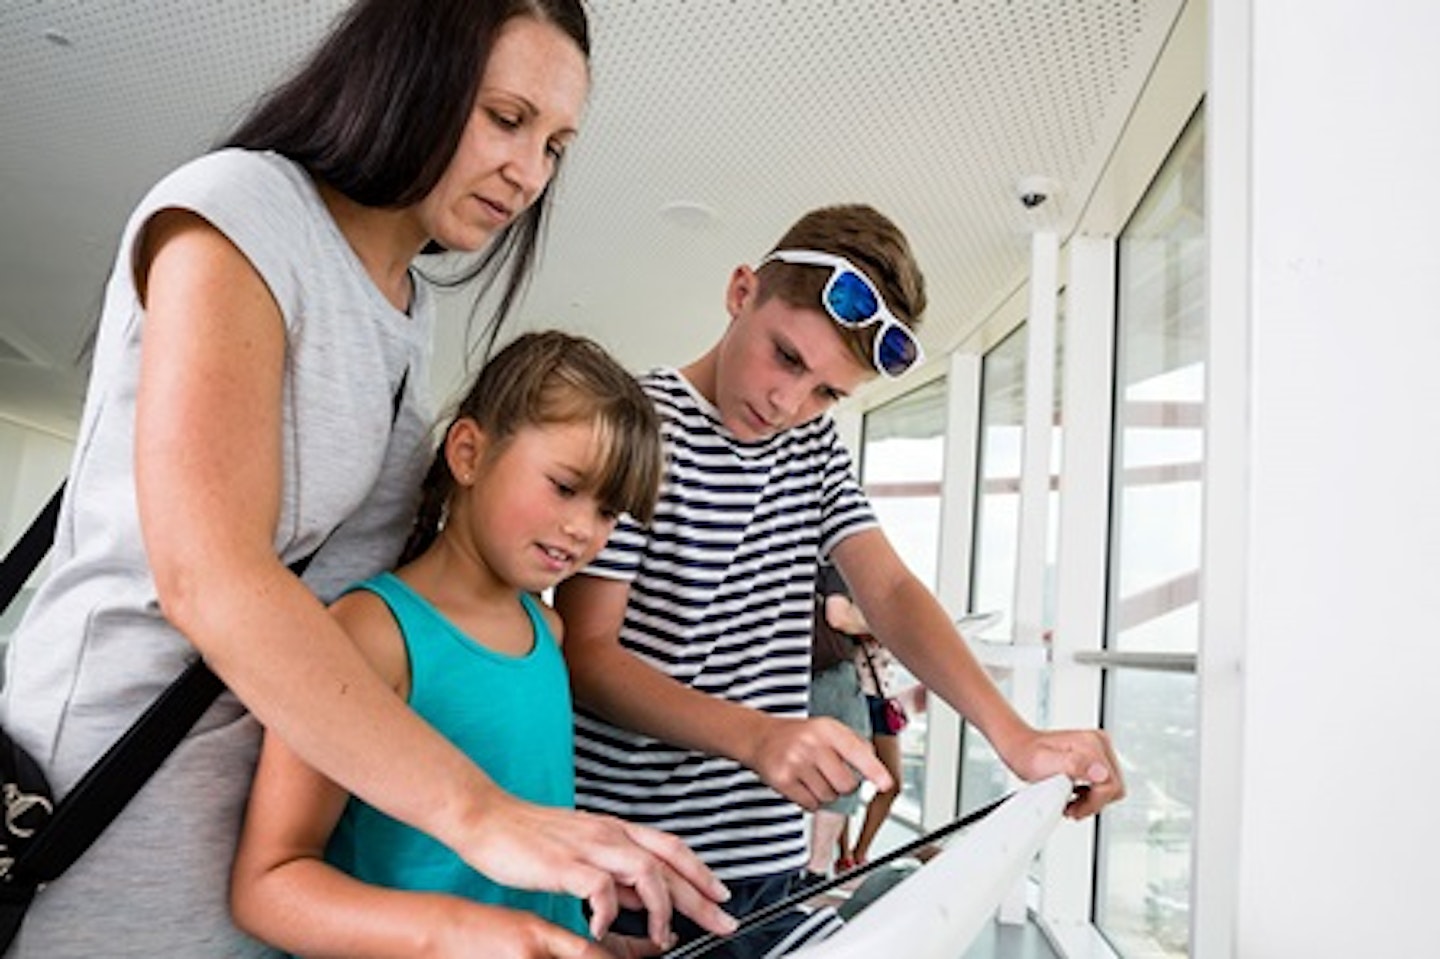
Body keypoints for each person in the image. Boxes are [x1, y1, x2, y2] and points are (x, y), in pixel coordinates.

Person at [0, 2, 729, 956]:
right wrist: (483, 816)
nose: (529, 172)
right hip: (105, 811)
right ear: (409, 71)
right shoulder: (240, 209)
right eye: (506, 119)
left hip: (265, 837)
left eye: (555, 145)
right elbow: (211, 578)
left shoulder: (407, 312)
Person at [554, 203, 1125, 958]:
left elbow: (887, 592)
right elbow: (587, 655)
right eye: (786, 357)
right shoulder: (633, 425)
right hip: (633, 865)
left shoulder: (811, 446)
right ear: (740, 292)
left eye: (827, 392)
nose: (789, 403)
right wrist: (756, 735)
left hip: (762, 862)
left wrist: (1014, 736)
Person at [231, 331, 690, 957]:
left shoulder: (548, 632)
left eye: (609, 512)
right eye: (564, 486)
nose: (583, 529)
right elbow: (270, 887)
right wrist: (466, 936)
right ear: (470, 453)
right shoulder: (367, 633)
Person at [800, 563, 869, 886]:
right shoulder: (833, 558)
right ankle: (815, 871)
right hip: (828, 676)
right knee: (846, 767)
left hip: (789, 676)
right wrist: (877, 624)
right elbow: (838, 616)